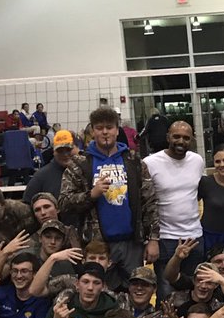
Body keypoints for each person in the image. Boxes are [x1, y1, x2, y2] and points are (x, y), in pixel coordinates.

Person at [59, 105, 161, 278]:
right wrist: (90, 195)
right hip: (97, 246)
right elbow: (63, 203)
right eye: (99, 128)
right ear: (92, 131)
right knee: (99, 293)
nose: (105, 132)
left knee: (135, 293)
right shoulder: (80, 164)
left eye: (109, 127)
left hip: (131, 243)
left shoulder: (133, 161)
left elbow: (149, 201)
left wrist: (153, 239)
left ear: (117, 129)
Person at [143, 120, 206, 294]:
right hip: (166, 238)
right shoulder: (150, 163)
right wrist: (151, 240)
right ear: (168, 137)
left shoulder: (197, 161)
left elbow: (200, 191)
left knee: (194, 290)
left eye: (186, 138)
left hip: (194, 237)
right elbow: (145, 203)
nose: (180, 141)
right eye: (176, 136)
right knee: (166, 293)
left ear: (192, 140)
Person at [22, 130, 79, 203]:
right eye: (60, 151)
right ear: (53, 151)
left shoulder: (87, 170)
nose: (65, 154)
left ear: (77, 148)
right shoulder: (41, 177)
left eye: (68, 149)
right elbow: (27, 205)